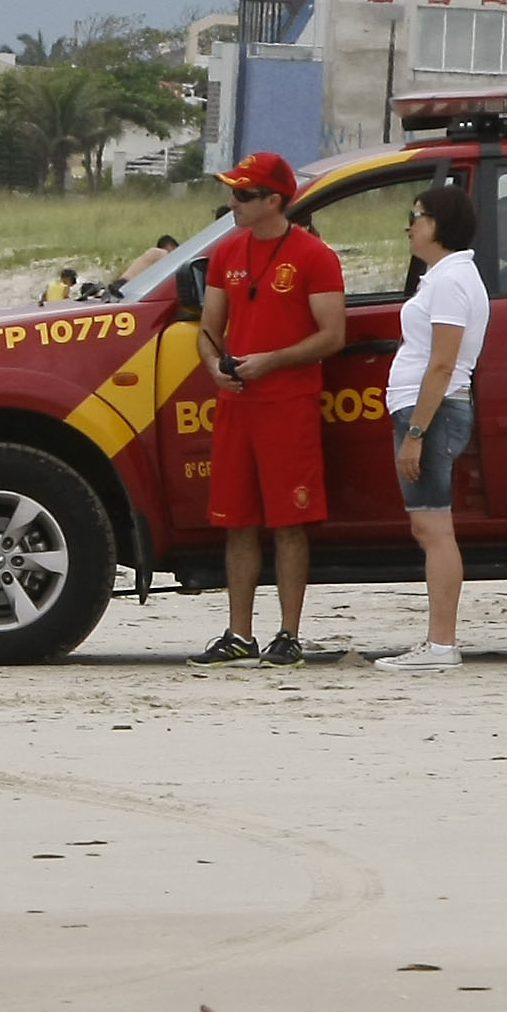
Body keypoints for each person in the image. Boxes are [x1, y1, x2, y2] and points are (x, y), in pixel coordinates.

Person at [189, 150, 347, 667]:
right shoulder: (226, 252)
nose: (233, 202)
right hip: (237, 404)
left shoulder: (314, 256)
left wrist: (271, 361)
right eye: (233, 192)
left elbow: (332, 335)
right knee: (236, 521)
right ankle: (239, 633)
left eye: (243, 194)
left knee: (289, 522)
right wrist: (215, 366)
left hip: (288, 404)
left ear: (273, 201)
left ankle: (288, 633)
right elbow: (209, 328)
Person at [375, 181, 488, 673]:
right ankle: (439, 642)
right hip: (426, 410)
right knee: (429, 525)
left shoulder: (450, 281)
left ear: (439, 224)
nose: (409, 226)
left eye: (416, 216)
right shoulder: (444, 277)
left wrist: (416, 434)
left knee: (434, 527)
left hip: (433, 412)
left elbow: (442, 364)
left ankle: (441, 644)